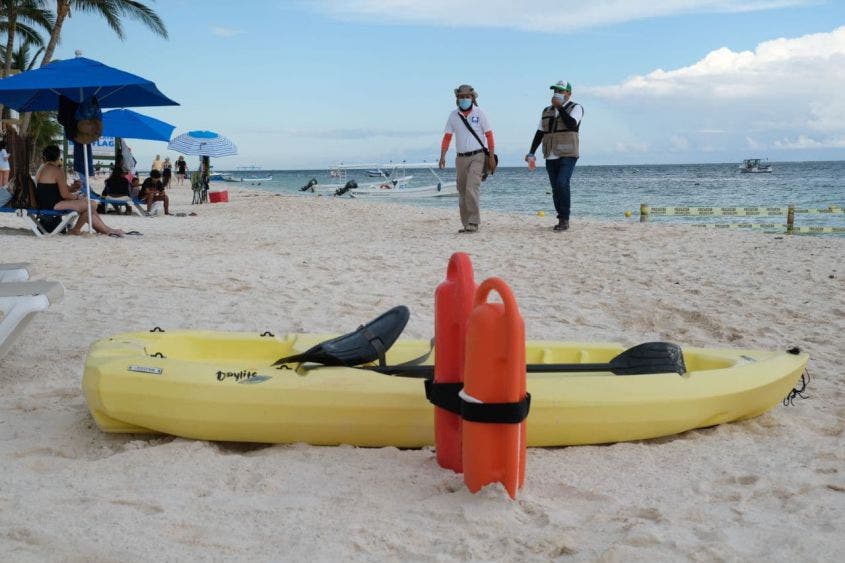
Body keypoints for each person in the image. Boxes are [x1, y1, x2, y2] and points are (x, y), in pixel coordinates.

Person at [525, 80, 584, 231]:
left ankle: (565, 219)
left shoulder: (576, 108)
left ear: (568, 94)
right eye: (555, 91)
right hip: (550, 154)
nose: (557, 93)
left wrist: (560, 108)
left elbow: (571, 124)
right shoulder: (546, 110)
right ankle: (561, 217)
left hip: (568, 153)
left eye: (560, 91)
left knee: (562, 183)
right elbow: (539, 133)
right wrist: (531, 152)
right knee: (555, 188)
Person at [438, 84, 496, 233]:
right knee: (462, 191)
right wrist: (442, 156)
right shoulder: (453, 115)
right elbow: (447, 137)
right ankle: (466, 223)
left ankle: (474, 222)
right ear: (457, 99)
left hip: (478, 155)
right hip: (461, 158)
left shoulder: (480, 113)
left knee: (472, 187)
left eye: (467, 97)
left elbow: (489, 135)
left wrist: (491, 156)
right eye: (461, 97)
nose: (464, 99)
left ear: (473, 98)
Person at [34, 144, 125, 237]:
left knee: (88, 206)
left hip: (45, 203)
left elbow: (54, 189)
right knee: (91, 205)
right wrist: (77, 197)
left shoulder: (43, 169)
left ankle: (106, 229)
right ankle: (76, 230)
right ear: (58, 156)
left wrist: (73, 187)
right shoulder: (57, 171)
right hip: (53, 204)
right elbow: (65, 194)